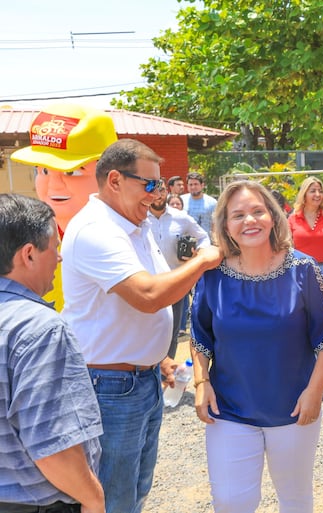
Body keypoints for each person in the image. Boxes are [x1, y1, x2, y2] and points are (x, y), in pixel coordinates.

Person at [60, 139, 223, 513]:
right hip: (111, 387)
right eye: (149, 184)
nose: (157, 194)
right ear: (115, 180)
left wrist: (156, 358)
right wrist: (201, 262)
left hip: (140, 379)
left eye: (160, 184)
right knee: (113, 498)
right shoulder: (97, 230)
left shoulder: (136, 223)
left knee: (135, 490)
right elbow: (148, 295)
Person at [191, 180, 323, 512]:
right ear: (225, 226)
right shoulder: (211, 276)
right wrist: (202, 382)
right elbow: (200, 335)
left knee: (295, 499)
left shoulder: (303, 270)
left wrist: (315, 391)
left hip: (292, 408)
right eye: (238, 215)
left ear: (272, 216)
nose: (249, 221)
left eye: (257, 211)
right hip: (229, 409)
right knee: (231, 502)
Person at [0, 194, 105, 513]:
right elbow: (52, 445)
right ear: (29, 254)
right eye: (54, 248)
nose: (59, 259)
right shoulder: (39, 328)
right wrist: (93, 499)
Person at [10, 103, 118, 311]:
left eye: (72, 172)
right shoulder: (24, 237)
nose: (53, 184)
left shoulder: (123, 234)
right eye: (43, 171)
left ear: (112, 177)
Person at [147, 179, 210, 359]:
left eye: (161, 191)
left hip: (176, 282)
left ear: (166, 192)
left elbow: (204, 238)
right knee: (149, 332)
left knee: (172, 332)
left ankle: (170, 371)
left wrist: (196, 257)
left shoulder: (180, 217)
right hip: (149, 284)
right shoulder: (140, 218)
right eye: (154, 192)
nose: (158, 196)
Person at [181, 171, 218, 236]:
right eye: (190, 184)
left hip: (205, 243)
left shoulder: (212, 203)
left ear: (202, 185)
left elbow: (216, 224)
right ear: (187, 186)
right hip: (185, 241)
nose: (193, 187)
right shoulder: (181, 201)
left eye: (196, 184)